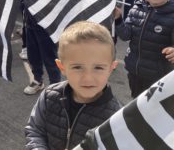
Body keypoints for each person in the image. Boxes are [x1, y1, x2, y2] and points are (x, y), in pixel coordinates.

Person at [25, 21, 121, 150]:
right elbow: (35, 131)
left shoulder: (117, 118)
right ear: (62, 67)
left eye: (98, 67)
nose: (87, 78)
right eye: (77, 67)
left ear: (111, 68)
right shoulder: (49, 96)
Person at [23, 0, 60, 95]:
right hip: (30, 26)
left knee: (50, 58)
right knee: (33, 55)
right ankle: (38, 79)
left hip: (46, 28)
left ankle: (56, 86)